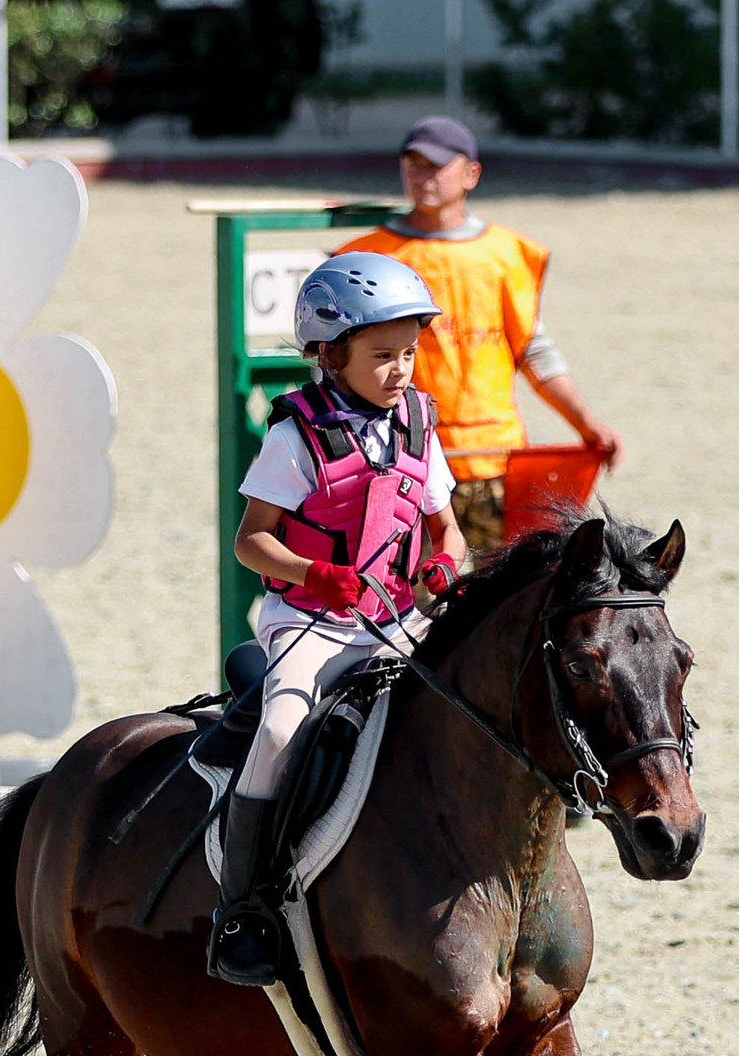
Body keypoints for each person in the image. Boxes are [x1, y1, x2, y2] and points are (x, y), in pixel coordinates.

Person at [210, 253, 468, 987]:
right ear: (330, 355)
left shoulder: (419, 424)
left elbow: (448, 530)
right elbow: (250, 541)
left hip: (399, 620)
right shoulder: (296, 436)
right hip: (311, 623)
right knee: (280, 731)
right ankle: (244, 907)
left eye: (409, 353)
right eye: (383, 355)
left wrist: (444, 568)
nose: (401, 370)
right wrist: (314, 573)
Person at [336, 115, 621, 552]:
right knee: (412, 590)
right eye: (413, 164)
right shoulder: (367, 257)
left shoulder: (505, 253)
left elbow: (534, 350)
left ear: (471, 173)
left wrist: (586, 423)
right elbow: (338, 364)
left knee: (499, 589)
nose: (423, 175)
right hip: (404, 459)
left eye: (436, 165)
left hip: (495, 461)